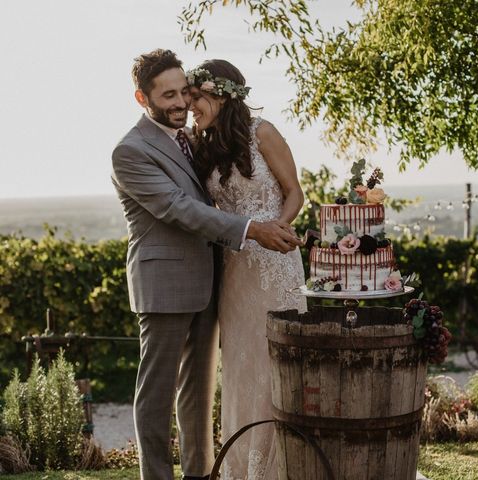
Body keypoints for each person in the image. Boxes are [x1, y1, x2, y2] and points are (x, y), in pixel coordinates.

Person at [111, 49, 302, 480]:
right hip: (163, 286)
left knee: (199, 395)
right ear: (143, 99)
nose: (182, 103)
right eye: (170, 96)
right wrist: (254, 230)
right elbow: (182, 209)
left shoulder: (196, 140)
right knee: (157, 395)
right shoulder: (130, 151)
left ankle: (199, 474)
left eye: (186, 92)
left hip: (214, 280)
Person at [187, 59, 307, 480]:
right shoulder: (203, 144)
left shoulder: (264, 134)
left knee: (275, 358)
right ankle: (242, 464)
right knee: (240, 364)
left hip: (276, 263)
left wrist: (280, 225)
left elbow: (295, 193)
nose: (190, 106)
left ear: (221, 94)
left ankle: (283, 464)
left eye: (196, 97)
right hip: (235, 269)